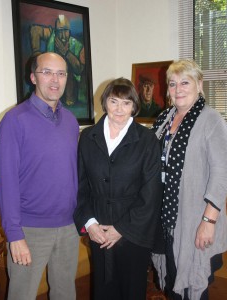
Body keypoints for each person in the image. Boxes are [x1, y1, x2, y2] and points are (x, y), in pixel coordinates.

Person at [0, 52, 80, 300]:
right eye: (47, 72)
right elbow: (6, 181)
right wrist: (15, 235)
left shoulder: (71, 121)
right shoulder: (14, 120)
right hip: (29, 230)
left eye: (61, 73)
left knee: (65, 294)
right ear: (33, 77)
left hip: (68, 228)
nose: (55, 80)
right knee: (22, 295)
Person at [151, 59, 227, 300]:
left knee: (192, 288)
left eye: (185, 82)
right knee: (174, 286)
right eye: (173, 83)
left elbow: (223, 174)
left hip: (196, 220)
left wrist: (208, 220)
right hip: (167, 220)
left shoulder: (211, 120)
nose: (178, 89)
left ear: (199, 85)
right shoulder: (164, 119)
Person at [74, 77, 162, 300]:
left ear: (134, 106)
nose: (119, 109)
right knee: (103, 291)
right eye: (114, 102)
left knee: (131, 291)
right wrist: (90, 223)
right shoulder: (87, 137)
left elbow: (151, 193)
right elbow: (80, 186)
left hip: (133, 233)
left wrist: (120, 228)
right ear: (105, 103)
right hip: (98, 231)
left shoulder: (147, 140)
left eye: (126, 103)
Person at [30, 14, 85, 105]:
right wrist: (37, 56)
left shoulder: (78, 46)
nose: (63, 35)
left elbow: (79, 70)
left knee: (69, 71)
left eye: (65, 31)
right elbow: (35, 30)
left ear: (69, 32)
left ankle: (69, 100)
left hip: (71, 86)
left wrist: (66, 53)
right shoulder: (51, 35)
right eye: (60, 31)